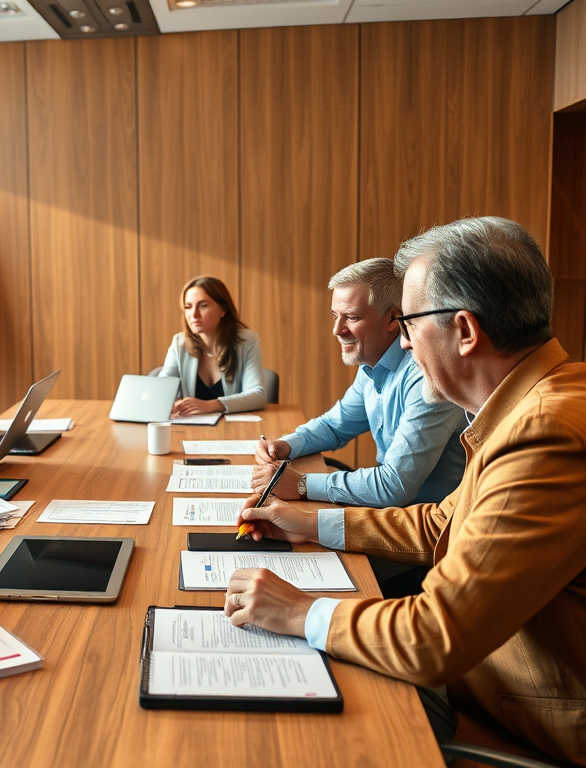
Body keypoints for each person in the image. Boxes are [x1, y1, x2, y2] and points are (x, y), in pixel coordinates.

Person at [226, 218, 586, 766]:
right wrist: (306, 521)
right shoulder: (541, 399)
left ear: (464, 331)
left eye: (410, 323)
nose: (404, 339)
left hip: (514, 716)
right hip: (485, 678)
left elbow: (433, 637)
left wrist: (299, 610)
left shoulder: (544, 432)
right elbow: (442, 522)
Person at [252, 258, 465, 508]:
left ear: (392, 319)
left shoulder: (425, 377)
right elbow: (334, 426)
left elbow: (392, 486)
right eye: (335, 316)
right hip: (391, 512)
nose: (337, 330)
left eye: (351, 318)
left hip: (426, 525)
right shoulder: (371, 364)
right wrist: (286, 444)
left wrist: (301, 484)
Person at [158, 276, 264, 415]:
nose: (194, 315)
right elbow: (160, 391)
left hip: (236, 430)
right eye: (188, 307)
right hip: (190, 430)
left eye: (203, 306)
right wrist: (171, 402)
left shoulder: (246, 341)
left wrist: (213, 405)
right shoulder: (180, 343)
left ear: (223, 309)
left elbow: (258, 395)